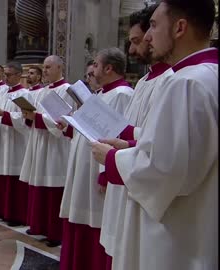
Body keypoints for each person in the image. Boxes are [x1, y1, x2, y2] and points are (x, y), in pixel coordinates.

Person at [91, 1, 218, 269]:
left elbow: (165, 169)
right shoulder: (209, 75)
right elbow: (187, 151)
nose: (149, 36)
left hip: (175, 235)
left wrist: (113, 159)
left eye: (155, 25)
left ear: (180, 27)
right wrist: (132, 145)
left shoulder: (186, 83)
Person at [97, 6, 173, 268]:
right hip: (128, 174)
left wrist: (118, 155)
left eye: (136, 41)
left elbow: (163, 147)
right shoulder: (143, 81)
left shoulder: (173, 81)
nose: (131, 50)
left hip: (144, 180)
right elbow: (129, 130)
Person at [59, 47, 134, 270]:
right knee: (80, 214)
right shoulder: (100, 94)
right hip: (83, 162)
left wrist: (105, 174)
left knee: (95, 219)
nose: (92, 69)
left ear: (108, 68)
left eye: (96, 65)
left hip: (97, 167)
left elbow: (117, 135)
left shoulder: (122, 94)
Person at [19, 55, 73, 247]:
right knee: (39, 183)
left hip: (55, 146)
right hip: (39, 142)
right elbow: (37, 115)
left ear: (60, 67)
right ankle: (39, 225)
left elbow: (64, 122)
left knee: (53, 185)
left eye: (49, 67)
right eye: (44, 67)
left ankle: (54, 232)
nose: (46, 71)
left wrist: (37, 117)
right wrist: (28, 115)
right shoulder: (43, 91)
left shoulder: (66, 90)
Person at [0, 62, 30, 226]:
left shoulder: (25, 94)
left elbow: (26, 119)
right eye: (4, 74)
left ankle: (15, 215)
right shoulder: (2, 93)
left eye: (9, 74)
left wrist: (3, 115)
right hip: (0, 138)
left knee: (13, 177)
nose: (5, 77)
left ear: (19, 75)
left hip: (16, 143)